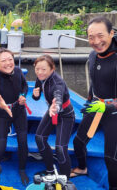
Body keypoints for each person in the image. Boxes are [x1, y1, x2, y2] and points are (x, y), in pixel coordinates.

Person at [70, 16, 117, 190]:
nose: (96, 41)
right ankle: (82, 168)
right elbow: (95, 84)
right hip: (96, 106)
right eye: (91, 37)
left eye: (100, 35)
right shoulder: (93, 55)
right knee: (78, 142)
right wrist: (89, 101)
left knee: (111, 158)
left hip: (116, 113)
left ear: (111, 33)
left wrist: (107, 106)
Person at [0, 48, 29, 185]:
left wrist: (22, 96)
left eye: (10, 59)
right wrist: (1, 105)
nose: (8, 63)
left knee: (23, 141)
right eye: (3, 61)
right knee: (1, 145)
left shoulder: (17, 71)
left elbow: (24, 85)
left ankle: (22, 169)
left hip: (18, 111)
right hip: (1, 115)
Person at [32, 55, 76, 184]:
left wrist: (55, 107)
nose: (40, 72)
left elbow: (58, 96)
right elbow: (37, 95)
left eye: (44, 69)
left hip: (65, 115)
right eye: (37, 69)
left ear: (52, 69)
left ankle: (65, 180)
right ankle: (50, 170)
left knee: (60, 149)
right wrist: (35, 95)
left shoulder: (58, 82)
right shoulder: (40, 77)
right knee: (39, 138)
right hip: (52, 112)